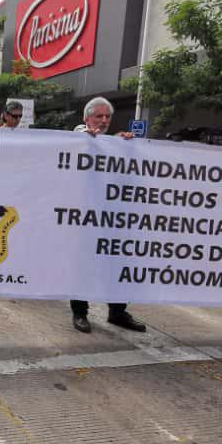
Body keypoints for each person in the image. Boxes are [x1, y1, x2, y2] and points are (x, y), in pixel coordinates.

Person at [69, 97, 145, 333]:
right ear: (86, 118)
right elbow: (80, 135)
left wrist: (127, 145)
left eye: (107, 117)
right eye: (98, 116)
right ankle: (80, 313)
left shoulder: (114, 144)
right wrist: (87, 134)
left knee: (117, 264)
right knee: (83, 266)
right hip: (85, 217)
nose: (103, 121)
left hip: (113, 218)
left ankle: (117, 311)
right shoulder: (80, 137)